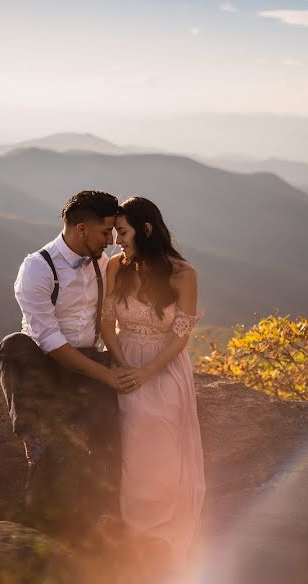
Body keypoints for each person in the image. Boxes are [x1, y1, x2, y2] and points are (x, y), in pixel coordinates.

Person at [0, 190, 140, 537]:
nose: (110, 241)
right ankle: (35, 442)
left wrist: (120, 366)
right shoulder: (36, 267)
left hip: (88, 358)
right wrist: (106, 375)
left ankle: (104, 503)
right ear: (81, 230)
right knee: (13, 345)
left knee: (111, 416)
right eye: (105, 233)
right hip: (45, 363)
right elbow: (50, 342)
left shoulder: (103, 265)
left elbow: (109, 322)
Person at [101, 196, 206, 578]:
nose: (117, 241)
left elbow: (181, 336)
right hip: (123, 355)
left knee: (154, 432)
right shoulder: (116, 267)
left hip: (164, 365)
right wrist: (123, 364)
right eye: (114, 233)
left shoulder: (183, 274)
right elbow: (106, 320)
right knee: (125, 435)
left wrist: (147, 373)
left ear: (146, 230)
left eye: (123, 232)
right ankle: (133, 533)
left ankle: (159, 534)